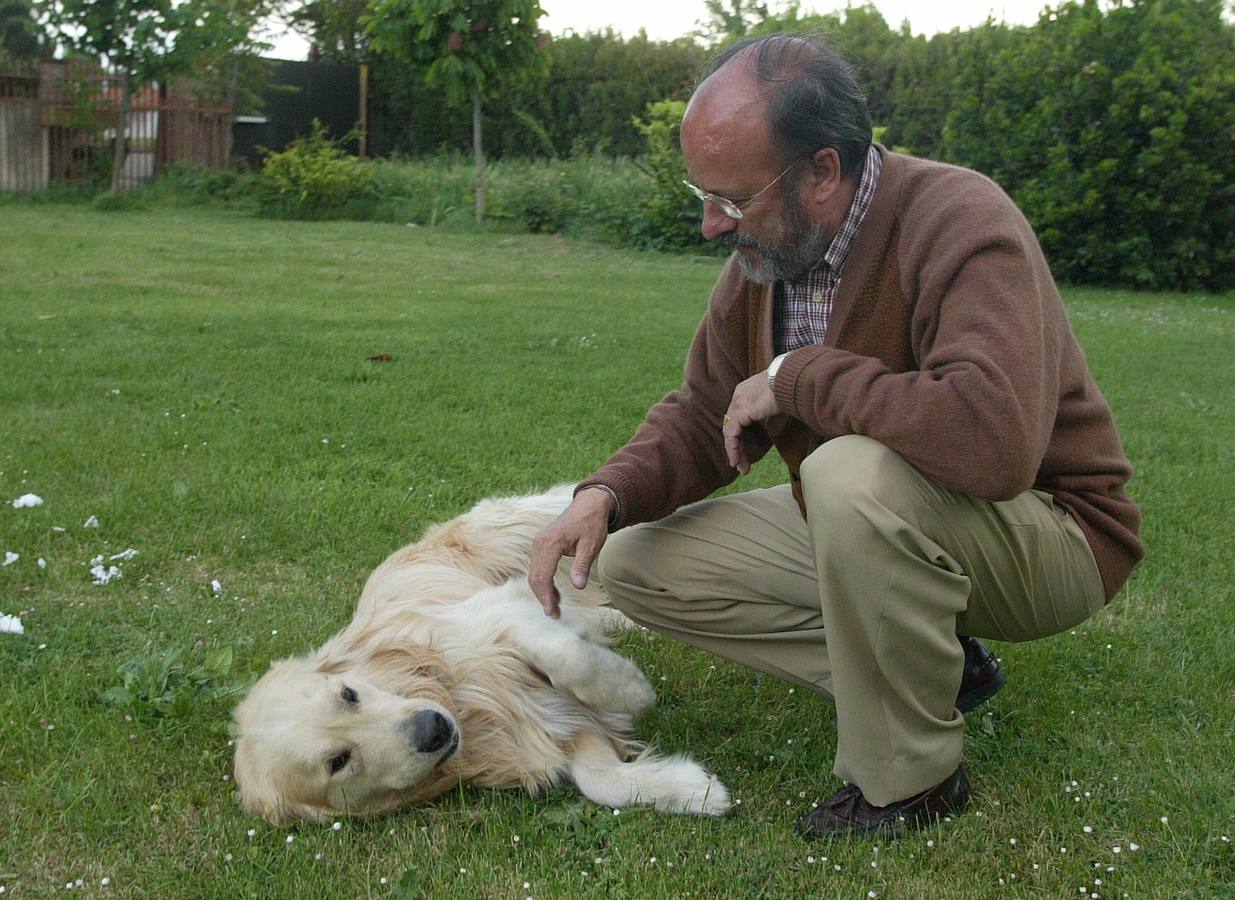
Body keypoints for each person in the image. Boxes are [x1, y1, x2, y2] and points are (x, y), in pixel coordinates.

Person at [528, 32, 1143, 841]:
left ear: (821, 171)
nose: (712, 225)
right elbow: (702, 405)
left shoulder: (959, 219)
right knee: (638, 562)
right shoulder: (768, 254)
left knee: (847, 473)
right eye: (701, 193)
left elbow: (992, 442)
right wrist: (606, 494)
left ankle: (911, 779)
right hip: (888, 518)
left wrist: (798, 377)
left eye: (733, 199)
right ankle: (938, 670)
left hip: (1051, 532)